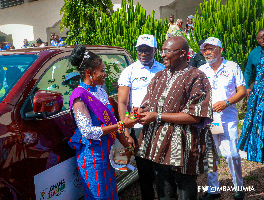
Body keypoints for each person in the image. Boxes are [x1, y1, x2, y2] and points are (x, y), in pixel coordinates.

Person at [135, 36, 217, 200]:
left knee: (186, 193)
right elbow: (148, 102)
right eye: (163, 51)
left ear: (182, 54)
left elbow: (195, 116)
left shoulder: (196, 77)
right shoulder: (159, 76)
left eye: (167, 51)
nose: (163, 55)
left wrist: (157, 116)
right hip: (158, 147)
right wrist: (140, 110)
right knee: (164, 193)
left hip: (183, 149)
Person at [68, 45, 139, 199]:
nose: (105, 74)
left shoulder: (100, 90)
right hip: (92, 155)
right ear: (89, 73)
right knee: (98, 195)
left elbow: (111, 119)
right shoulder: (79, 96)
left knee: (111, 193)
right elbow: (88, 131)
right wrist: (121, 125)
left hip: (107, 151)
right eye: (102, 71)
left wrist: (126, 129)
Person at [118, 34, 165, 200]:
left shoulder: (163, 69)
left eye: (147, 50)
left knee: (162, 170)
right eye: (140, 50)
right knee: (144, 172)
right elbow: (123, 103)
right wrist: (125, 131)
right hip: (139, 128)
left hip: (161, 124)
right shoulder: (129, 71)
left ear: (155, 50)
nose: (143, 53)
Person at [199, 37, 246, 200]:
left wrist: (226, 103)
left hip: (228, 118)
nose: (207, 52)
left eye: (211, 49)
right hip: (210, 120)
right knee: (211, 155)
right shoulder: (202, 69)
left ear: (220, 50)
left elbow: (241, 91)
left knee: (232, 154)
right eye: (205, 49)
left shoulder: (232, 67)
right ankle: (213, 190)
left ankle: (239, 187)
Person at [237, 28, 264, 164]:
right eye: (259, 37)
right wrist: (246, 87)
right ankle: (255, 148)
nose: (262, 39)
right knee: (256, 118)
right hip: (259, 91)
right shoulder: (254, 53)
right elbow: (248, 71)